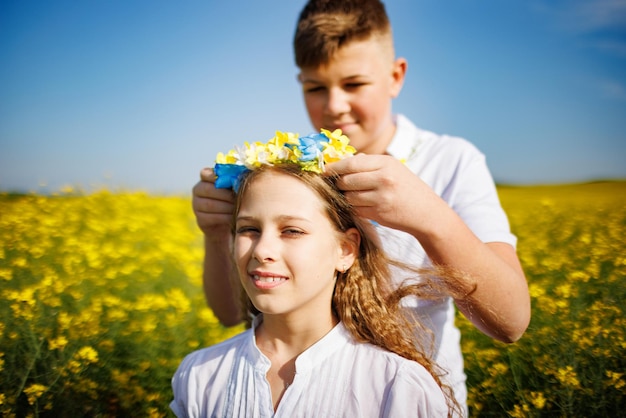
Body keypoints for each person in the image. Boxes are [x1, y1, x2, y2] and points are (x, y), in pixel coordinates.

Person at [192, 0, 531, 413]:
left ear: (395, 76)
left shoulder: (451, 161)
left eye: (353, 84)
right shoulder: (290, 172)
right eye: (315, 87)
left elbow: (511, 323)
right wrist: (216, 235)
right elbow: (230, 314)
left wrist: (429, 215)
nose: (333, 106)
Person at [171, 131, 461, 417]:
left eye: (292, 231)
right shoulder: (200, 376)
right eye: (249, 229)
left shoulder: (395, 386)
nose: (262, 250)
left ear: (345, 250)